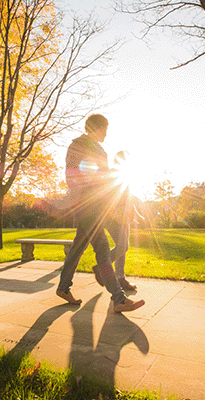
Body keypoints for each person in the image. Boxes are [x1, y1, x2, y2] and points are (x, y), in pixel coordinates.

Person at [56, 114, 145, 313]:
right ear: (96, 128)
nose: (107, 133)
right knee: (103, 248)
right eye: (105, 129)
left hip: (97, 206)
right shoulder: (78, 146)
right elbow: (72, 175)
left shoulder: (99, 149)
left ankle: (63, 287)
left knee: (78, 247)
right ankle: (118, 298)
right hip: (86, 206)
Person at [93, 150, 143, 291]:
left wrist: (136, 215)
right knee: (123, 246)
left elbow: (128, 198)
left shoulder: (124, 175)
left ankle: (120, 278)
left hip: (122, 217)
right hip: (114, 217)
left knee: (122, 248)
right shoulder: (112, 175)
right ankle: (101, 268)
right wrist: (115, 214)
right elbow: (107, 196)